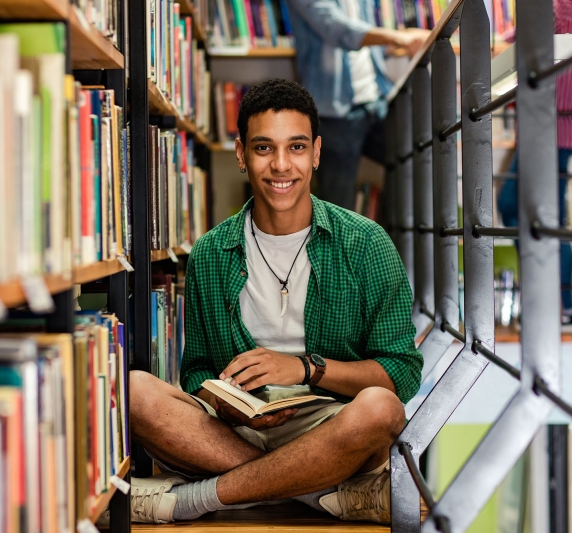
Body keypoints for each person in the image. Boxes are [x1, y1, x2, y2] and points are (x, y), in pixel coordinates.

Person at [124, 79, 423, 525]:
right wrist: (224, 396)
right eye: (264, 149)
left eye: (296, 147)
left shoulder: (366, 243)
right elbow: (196, 371)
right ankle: (323, 493)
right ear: (242, 155)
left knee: (380, 408)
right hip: (237, 429)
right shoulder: (210, 252)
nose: (281, 166)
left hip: (329, 426)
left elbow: (401, 373)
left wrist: (305, 368)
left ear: (316, 152)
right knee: (133, 391)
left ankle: (197, 499)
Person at [497, 0, 572, 317]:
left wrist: (502, 41)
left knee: (522, 210)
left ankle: (557, 299)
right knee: (542, 215)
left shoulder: (554, 7)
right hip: (561, 129)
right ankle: (561, 300)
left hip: (548, 130)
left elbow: (526, 39)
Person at [284, 0, 430, 210]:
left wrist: (406, 39)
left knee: (418, 159)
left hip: (376, 100)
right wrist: (398, 37)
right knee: (337, 205)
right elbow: (337, 30)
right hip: (333, 113)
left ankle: (390, 239)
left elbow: (367, 43)